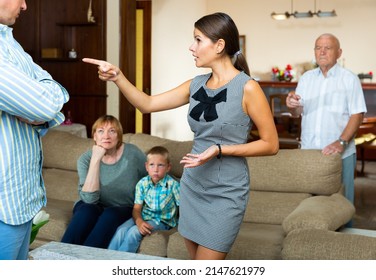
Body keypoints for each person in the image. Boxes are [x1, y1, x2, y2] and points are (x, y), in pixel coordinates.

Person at [83, 12, 278, 260]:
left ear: (219, 45)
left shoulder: (248, 88)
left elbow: (271, 145)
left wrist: (220, 149)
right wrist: (118, 77)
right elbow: (147, 104)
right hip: (192, 187)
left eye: (198, 40)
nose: (191, 47)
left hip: (226, 193)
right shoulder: (194, 85)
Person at [0, 0, 69, 260]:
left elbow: (56, 94)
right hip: (4, 205)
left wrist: (42, 109)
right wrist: (42, 106)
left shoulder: (9, 42)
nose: (26, 6)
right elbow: (45, 104)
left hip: (19, 201)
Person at [286, 33, 367, 207]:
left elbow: (357, 115)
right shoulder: (306, 79)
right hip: (309, 152)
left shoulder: (349, 79)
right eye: (318, 47)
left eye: (327, 48)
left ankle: (343, 235)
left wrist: (341, 142)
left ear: (339, 52)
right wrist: (292, 106)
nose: (322, 52)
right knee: (309, 204)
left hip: (340, 154)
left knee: (341, 204)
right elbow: (297, 112)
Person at [61, 115, 147, 248]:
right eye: (101, 131)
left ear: (119, 136)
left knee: (109, 215)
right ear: (94, 136)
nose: (106, 136)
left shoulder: (133, 153)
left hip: (122, 207)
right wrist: (95, 160)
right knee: (86, 211)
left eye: (112, 131)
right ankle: (60, 256)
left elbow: (153, 176)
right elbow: (89, 200)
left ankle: (88, 260)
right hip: (91, 204)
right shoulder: (85, 159)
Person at [108, 146, 180, 252]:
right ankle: (106, 259)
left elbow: (184, 207)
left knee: (134, 232)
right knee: (121, 230)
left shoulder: (173, 185)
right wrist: (139, 221)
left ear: (168, 167)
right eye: (152, 165)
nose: (155, 169)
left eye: (160, 165)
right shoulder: (142, 183)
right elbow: (137, 209)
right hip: (143, 216)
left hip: (162, 221)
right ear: (146, 166)